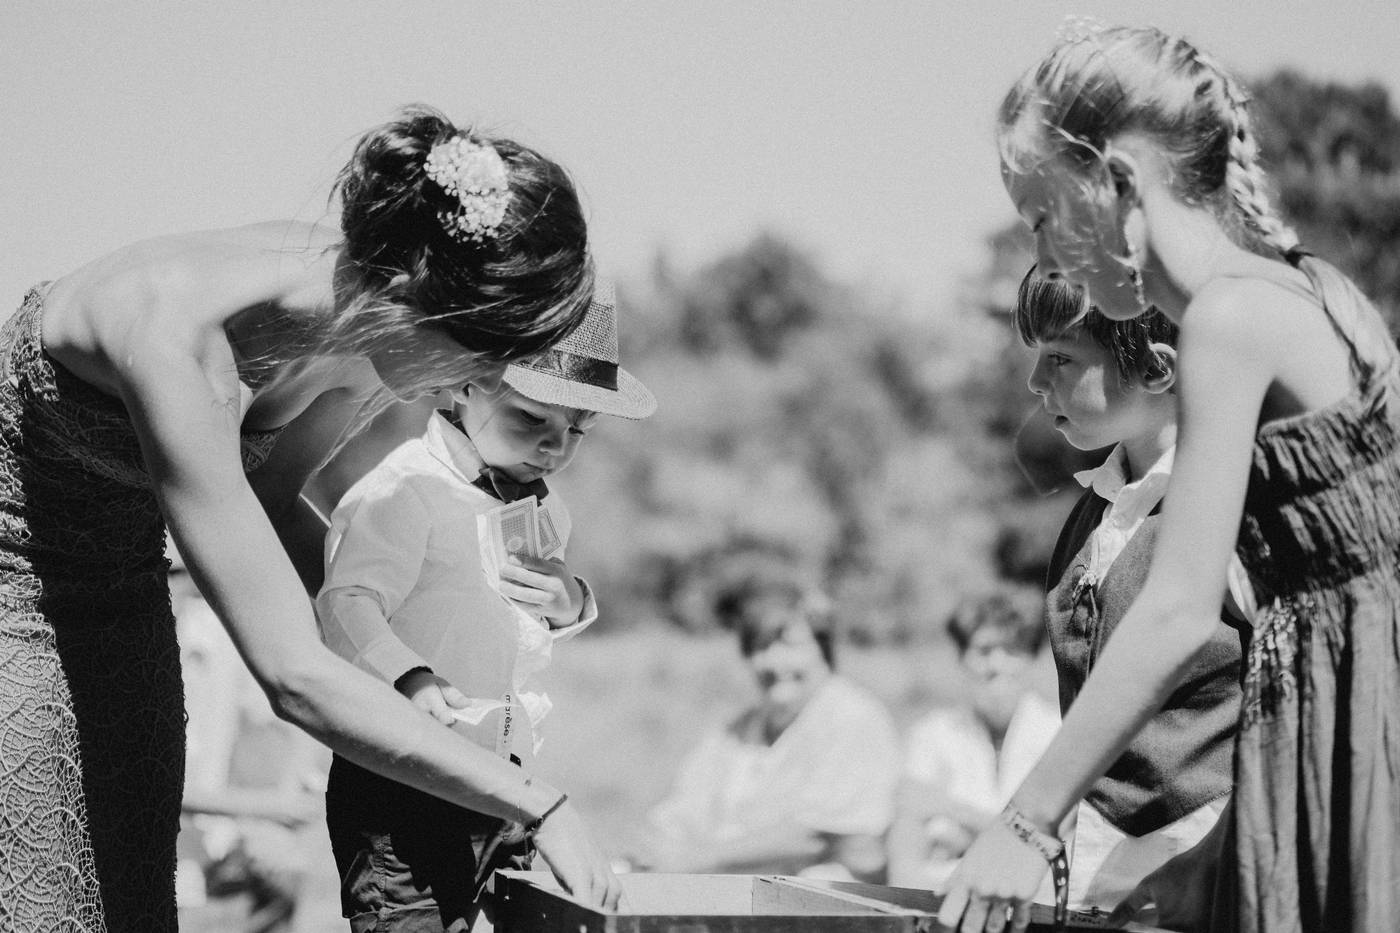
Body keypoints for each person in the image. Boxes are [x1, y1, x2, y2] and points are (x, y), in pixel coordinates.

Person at [0, 104, 621, 932]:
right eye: (483, 353)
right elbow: (291, 674)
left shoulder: (377, 337)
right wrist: (539, 803)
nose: (476, 380)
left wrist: (422, 643)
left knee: (131, 901)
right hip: (14, 610)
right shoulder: (172, 336)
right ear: (418, 301)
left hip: (128, 604)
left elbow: (278, 518)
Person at [939, 24, 1400, 933]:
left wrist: (1025, 822)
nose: (1046, 254)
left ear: (1116, 184)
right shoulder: (1317, 293)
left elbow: (1181, 606)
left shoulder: (1229, 316)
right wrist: (1224, 853)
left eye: (1041, 216)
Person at [316, 286, 655, 932]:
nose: (554, 447)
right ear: (467, 383)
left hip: (501, 783)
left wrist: (571, 600)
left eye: (577, 429)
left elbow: (520, 630)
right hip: (404, 785)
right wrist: (408, 675)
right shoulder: (406, 490)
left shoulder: (544, 509)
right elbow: (346, 603)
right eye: (532, 419)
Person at [1016, 272, 1245, 919]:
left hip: (1210, 877)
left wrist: (1212, 860)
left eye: (1060, 358)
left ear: (1155, 367)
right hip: (1094, 879)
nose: (1036, 381)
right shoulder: (1095, 508)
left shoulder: (1236, 504)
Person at [637, 573, 901, 883]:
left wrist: (700, 859)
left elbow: (814, 837)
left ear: (823, 650)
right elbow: (683, 809)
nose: (775, 662)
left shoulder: (854, 718)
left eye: (791, 646)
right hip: (731, 887)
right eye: (761, 648)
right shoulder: (737, 729)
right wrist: (658, 848)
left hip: (822, 897)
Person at [886, 593, 1059, 893]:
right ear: (962, 657)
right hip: (941, 893)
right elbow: (905, 844)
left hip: (1030, 896)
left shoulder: (1058, 732)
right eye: (984, 650)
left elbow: (1053, 848)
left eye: (1012, 650)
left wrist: (955, 813)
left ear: (1032, 659)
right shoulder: (931, 734)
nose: (996, 664)